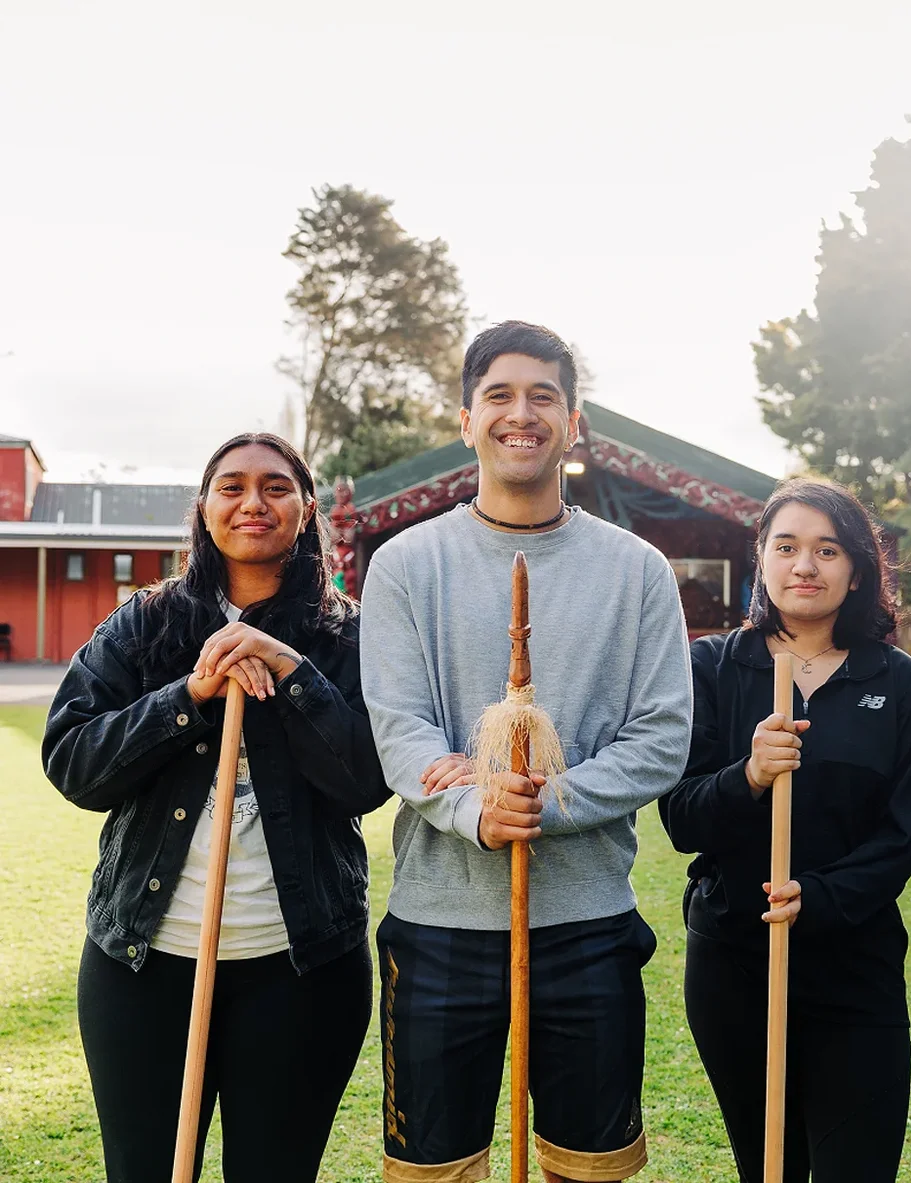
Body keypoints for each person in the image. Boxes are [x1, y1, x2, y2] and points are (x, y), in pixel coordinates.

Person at [360, 320, 693, 1183]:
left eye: (543, 396)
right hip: (438, 923)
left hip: (586, 921)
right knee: (436, 1168)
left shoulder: (638, 571)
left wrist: (549, 799)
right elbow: (401, 730)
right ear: (465, 420)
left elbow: (661, 738)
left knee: (591, 1165)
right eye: (499, 395)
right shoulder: (405, 566)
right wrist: (476, 806)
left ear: (574, 422)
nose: (522, 414)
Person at [43, 433, 389, 1183]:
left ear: (305, 511)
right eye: (231, 486)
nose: (252, 502)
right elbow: (72, 760)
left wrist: (292, 671)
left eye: (275, 486)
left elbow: (366, 780)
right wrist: (188, 697)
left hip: (301, 969)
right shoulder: (144, 623)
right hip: (143, 964)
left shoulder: (349, 635)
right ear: (203, 510)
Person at [659, 479, 911, 1183]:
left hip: (856, 967)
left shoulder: (900, 685)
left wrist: (818, 896)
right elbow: (680, 816)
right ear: (761, 557)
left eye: (827, 549)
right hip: (735, 962)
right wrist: (748, 774)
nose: (805, 565)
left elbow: (902, 835)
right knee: (769, 1168)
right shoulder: (713, 669)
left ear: (856, 570)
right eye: (786, 547)